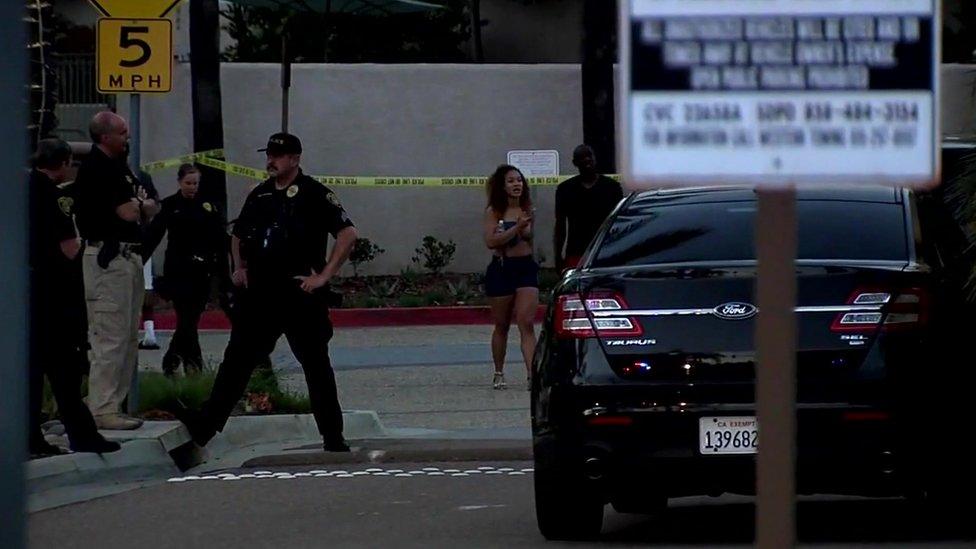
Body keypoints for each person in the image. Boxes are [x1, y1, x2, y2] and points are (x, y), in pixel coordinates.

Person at [176, 133, 358, 452]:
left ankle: (332, 436)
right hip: (262, 295)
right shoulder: (260, 195)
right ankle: (204, 426)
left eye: (279, 155)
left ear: (295, 159)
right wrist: (239, 266)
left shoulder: (315, 194)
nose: (271, 160)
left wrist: (325, 275)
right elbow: (239, 234)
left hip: (299, 293)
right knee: (237, 361)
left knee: (315, 365)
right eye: (269, 154)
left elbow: (347, 234)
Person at [28, 138, 121, 456]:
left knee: (32, 371)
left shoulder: (20, 190)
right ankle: (82, 435)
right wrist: (82, 241)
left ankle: (30, 439)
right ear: (64, 163)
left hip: (25, 293)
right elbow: (69, 249)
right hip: (54, 295)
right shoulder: (54, 198)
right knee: (65, 371)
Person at [74, 111, 157, 430]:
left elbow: (149, 204)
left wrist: (141, 206)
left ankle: (112, 405)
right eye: (122, 133)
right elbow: (128, 211)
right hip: (107, 260)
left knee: (126, 337)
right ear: (104, 136)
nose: (128, 137)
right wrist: (140, 207)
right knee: (109, 335)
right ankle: (101, 408)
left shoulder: (120, 167)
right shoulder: (98, 169)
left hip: (129, 257)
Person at [144, 164, 227, 376]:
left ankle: (173, 358)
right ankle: (192, 365)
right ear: (180, 182)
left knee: (190, 319)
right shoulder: (171, 205)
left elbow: (219, 238)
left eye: (195, 183)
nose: (192, 187)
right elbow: (155, 234)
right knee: (187, 318)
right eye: (188, 183)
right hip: (178, 270)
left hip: (201, 270)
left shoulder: (207, 205)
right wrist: (140, 257)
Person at [482, 164, 538, 390]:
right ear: (502, 186)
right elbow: (491, 241)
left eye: (519, 180)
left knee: (526, 322)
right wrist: (514, 230)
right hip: (502, 268)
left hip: (525, 268)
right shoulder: (494, 211)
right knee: (502, 324)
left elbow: (528, 235)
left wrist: (518, 228)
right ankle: (499, 371)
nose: (517, 184)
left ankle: (532, 375)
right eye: (511, 181)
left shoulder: (526, 209)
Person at [554, 144, 623, 271]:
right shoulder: (565, 189)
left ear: (595, 159)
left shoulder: (612, 187)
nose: (586, 160)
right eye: (581, 157)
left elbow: (620, 222)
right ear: (575, 163)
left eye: (589, 156)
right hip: (576, 251)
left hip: (606, 250)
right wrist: (557, 256)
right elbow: (560, 225)